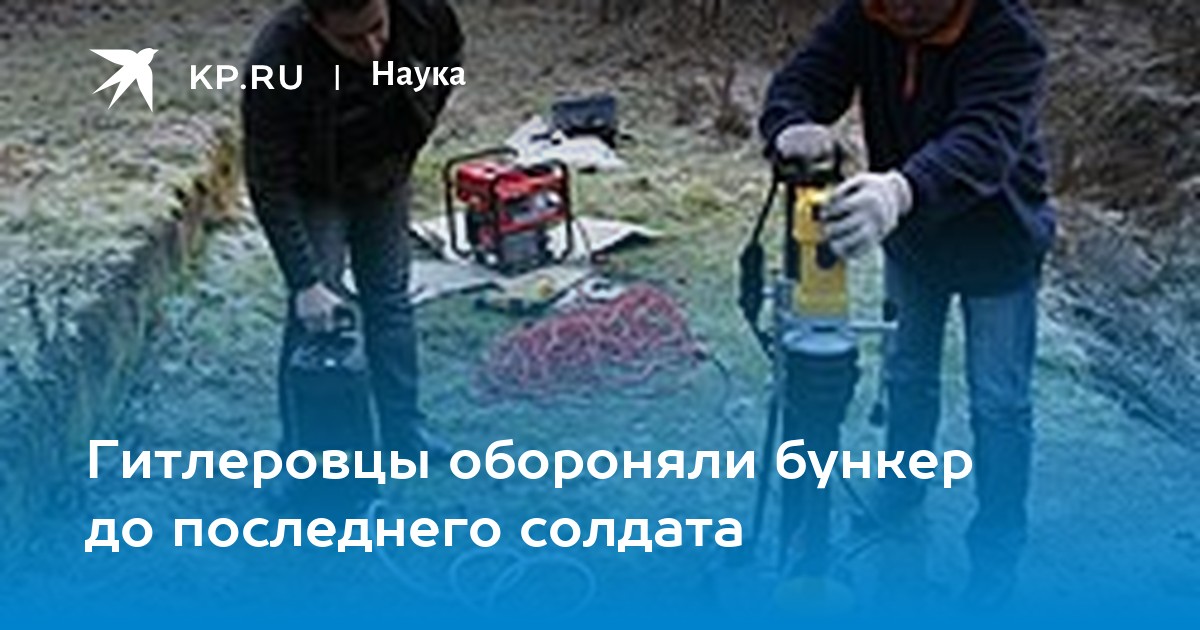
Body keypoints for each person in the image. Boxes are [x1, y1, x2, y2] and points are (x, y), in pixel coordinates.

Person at [760, 0, 1055, 606]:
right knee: (907, 374)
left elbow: (984, 141)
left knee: (999, 404)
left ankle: (996, 552)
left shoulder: (1006, 34)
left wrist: (900, 189)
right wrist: (789, 125)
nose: (903, 10)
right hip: (914, 244)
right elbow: (807, 77)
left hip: (997, 246)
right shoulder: (866, 18)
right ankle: (902, 494)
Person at [242, 0, 463, 507]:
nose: (370, 47)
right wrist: (304, 281)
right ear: (315, 23)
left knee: (389, 299)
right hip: (314, 187)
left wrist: (413, 133)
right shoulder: (277, 58)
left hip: (384, 174)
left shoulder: (426, 15)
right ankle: (301, 458)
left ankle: (404, 433)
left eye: (377, 29)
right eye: (349, 39)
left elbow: (449, 56)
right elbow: (268, 181)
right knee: (315, 318)